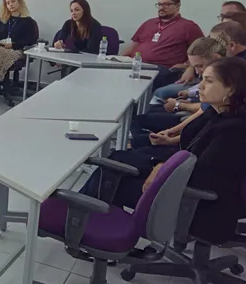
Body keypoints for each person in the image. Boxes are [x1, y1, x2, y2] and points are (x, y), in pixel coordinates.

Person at [80, 58, 246, 246]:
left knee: (111, 178)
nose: (200, 85)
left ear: (231, 89)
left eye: (209, 80)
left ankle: (91, 232)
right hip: (184, 182)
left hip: (200, 206)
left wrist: (161, 170)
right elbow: (187, 148)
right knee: (117, 158)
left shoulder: (235, 130)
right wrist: (158, 163)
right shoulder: (218, 113)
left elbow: (204, 176)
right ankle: (92, 226)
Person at [132, 36, 227, 140]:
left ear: (216, 58)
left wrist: (179, 106)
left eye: (200, 66)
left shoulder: (224, 83)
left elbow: (203, 114)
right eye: (194, 66)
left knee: (139, 120)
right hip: (190, 118)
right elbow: (204, 108)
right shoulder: (215, 76)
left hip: (191, 122)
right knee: (137, 112)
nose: (197, 71)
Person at [121, 0, 204, 90]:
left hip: (162, 69)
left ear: (178, 6)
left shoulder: (189, 26)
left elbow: (201, 53)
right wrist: (118, 59)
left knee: (134, 84)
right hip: (136, 64)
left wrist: (189, 67)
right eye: (159, 4)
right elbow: (134, 45)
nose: (161, 7)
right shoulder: (149, 23)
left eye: (166, 4)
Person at [0, 0, 38, 107]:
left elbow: (31, 40)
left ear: (19, 2)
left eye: (13, 1)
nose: (10, 5)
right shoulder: (3, 20)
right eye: (8, 3)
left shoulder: (29, 22)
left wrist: (14, 45)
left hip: (17, 51)